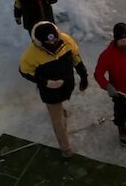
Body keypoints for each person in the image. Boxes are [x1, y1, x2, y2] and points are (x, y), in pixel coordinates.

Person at [19, 21, 90, 158]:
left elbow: (75, 57)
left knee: (60, 112)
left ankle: (61, 109)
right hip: (50, 92)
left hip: (67, 84)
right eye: (49, 42)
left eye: (56, 39)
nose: (54, 44)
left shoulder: (66, 40)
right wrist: (45, 82)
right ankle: (65, 148)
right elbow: (25, 71)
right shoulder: (31, 55)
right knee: (58, 121)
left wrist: (83, 75)